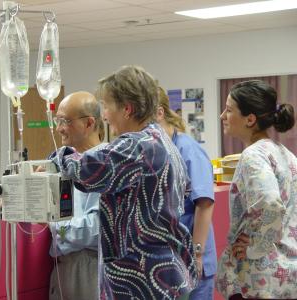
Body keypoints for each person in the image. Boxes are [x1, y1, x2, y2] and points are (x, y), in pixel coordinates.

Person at [51, 65, 197, 300]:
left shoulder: (137, 145)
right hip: (168, 271)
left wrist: (57, 160)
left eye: (107, 107)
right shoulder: (163, 141)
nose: (105, 116)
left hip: (143, 277)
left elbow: (85, 170)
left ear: (127, 109)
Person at [216, 80, 297, 300]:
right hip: (286, 275)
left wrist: (257, 247)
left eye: (229, 110)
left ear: (250, 119)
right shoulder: (286, 155)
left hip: (258, 280)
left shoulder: (254, 155)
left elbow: (270, 202)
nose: (222, 116)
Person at [157, 87, 216, 300]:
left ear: (159, 112)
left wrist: (197, 254)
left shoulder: (188, 150)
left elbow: (204, 203)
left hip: (193, 259)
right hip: (171, 261)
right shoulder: (157, 151)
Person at [49, 91, 105, 300]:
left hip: (90, 270)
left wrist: (51, 224)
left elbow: (96, 229)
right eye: (58, 120)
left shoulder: (103, 166)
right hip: (66, 268)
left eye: (65, 121)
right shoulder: (66, 163)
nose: (59, 128)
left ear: (89, 123)